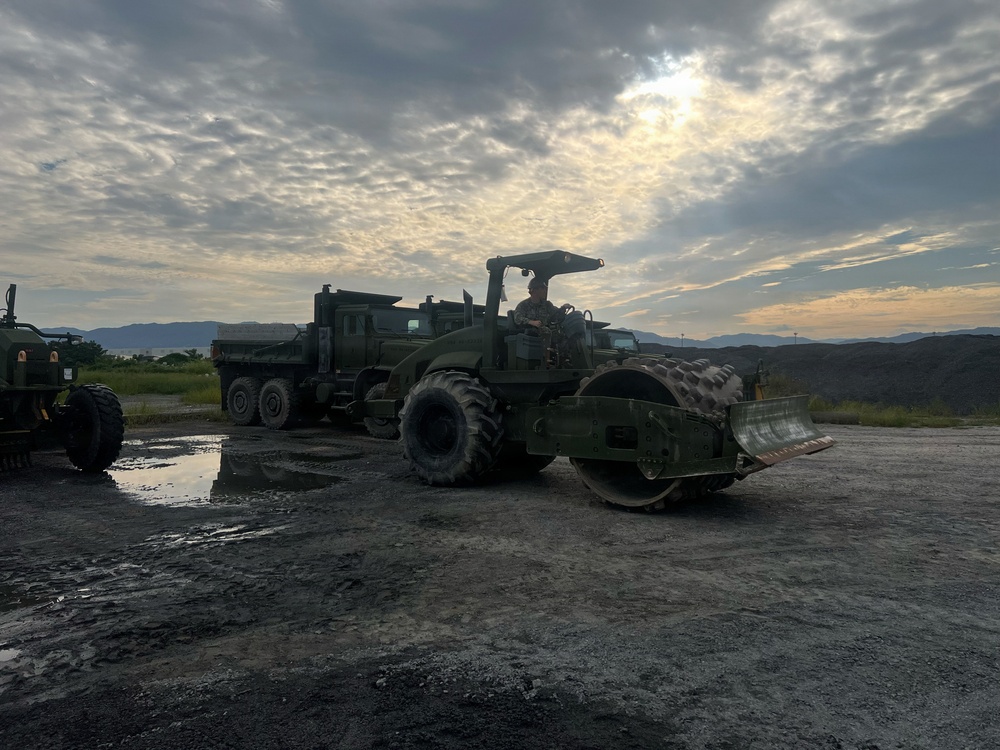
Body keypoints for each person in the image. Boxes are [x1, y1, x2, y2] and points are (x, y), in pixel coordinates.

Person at [512, 276, 575, 366]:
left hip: (545, 329)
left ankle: (564, 360)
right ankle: (546, 362)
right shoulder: (523, 305)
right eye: (542, 288)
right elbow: (518, 318)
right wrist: (531, 322)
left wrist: (563, 308)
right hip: (530, 330)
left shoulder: (547, 305)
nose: (545, 291)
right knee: (546, 331)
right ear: (534, 290)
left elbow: (556, 315)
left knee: (563, 334)